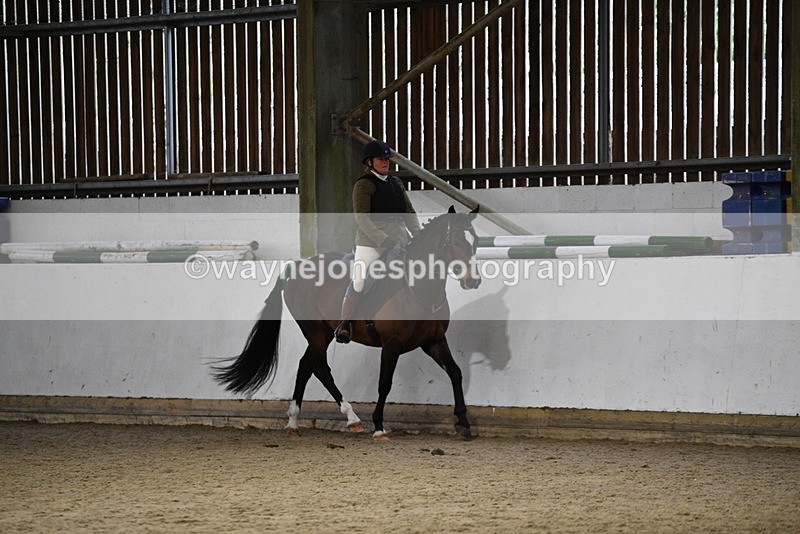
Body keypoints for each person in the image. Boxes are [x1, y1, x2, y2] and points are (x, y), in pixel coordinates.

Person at [334, 140, 422, 344]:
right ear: (370, 162)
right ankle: (345, 324)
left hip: (400, 239)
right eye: (381, 159)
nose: (385, 162)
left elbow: (408, 211)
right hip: (370, 243)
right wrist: (383, 240)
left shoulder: (396, 183)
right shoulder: (364, 184)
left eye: (386, 159)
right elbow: (362, 218)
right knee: (360, 279)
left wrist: (417, 234)